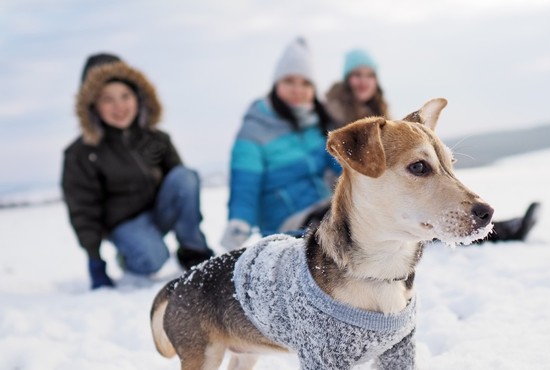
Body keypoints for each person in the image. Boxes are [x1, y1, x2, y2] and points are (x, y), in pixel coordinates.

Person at [325, 48, 540, 242]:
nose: (363, 81)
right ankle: (503, 231)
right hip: (333, 199)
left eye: (369, 75)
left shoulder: (385, 117)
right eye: (357, 75)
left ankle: (498, 229)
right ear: (346, 80)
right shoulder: (326, 116)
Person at [62, 53, 214, 290]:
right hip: (124, 226)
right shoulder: (82, 153)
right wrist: (95, 260)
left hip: (158, 213)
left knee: (185, 176)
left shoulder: (156, 140)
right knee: (154, 258)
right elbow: (83, 210)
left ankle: (193, 249)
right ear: (92, 105)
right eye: (107, 99)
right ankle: (130, 258)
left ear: (138, 98)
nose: (119, 106)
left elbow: (181, 187)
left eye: (125, 96)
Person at [220, 38, 341, 250]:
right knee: (339, 225)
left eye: (305, 83)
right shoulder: (255, 127)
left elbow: (340, 164)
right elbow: (245, 183)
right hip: (286, 222)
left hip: (324, 206)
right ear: (277, 84)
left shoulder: (317, 123)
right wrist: (239, 221)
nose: (298, 89)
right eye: (290, 81)